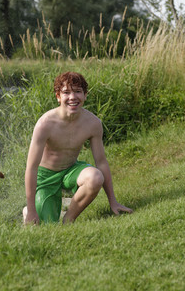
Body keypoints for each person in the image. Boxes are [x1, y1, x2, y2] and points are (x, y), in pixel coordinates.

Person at [23, 71, 133, 224]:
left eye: (77, 91)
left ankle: (69, 220)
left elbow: (101, 162)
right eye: (66, 92)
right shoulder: (45, 124)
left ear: (85, 95)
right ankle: (30, 208)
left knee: (95, 177)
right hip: (46, 176)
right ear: (58, 97)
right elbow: (32, 167)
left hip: (70, 170)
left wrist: (113, 201)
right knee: (45, 225)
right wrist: (32, 210)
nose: (72, 97)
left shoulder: (93, 123)